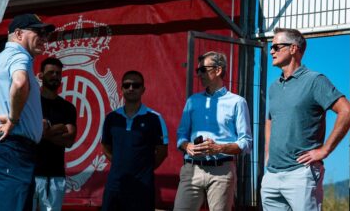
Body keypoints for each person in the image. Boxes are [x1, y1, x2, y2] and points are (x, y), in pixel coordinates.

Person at [261, 28, 350, 211]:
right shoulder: (274, 87)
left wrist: (325, 150)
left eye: (276, 46)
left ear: (293, 49)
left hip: (301, 174)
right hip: (272, 175)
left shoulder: (315, 81)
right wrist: (267, 152)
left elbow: (348, 111)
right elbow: (271, 119)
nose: (271, 51)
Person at [0, 14, 55, 211]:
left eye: (46, 34)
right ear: (18, 34)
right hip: (12, 151)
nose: (44, 37)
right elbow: (20, 83)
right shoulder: (19, 56)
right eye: (38, 32)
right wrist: (13, 121)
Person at [174, 51, 253, 211]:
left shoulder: (237, 102)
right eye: (198, 70)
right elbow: (181, 136)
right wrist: (187, 146)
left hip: (222, 172)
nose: (199, 74)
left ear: (218, 70)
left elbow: (246, 142)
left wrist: (219, 148)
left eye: (203, 69)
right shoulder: (192, 101)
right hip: (191, 170)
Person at [101, 70, 169, 211]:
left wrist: (143, 169)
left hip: (142, 187)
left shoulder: (155, 118)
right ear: (121, 89)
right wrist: (120, 164)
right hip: (115, 186)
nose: (131, 88)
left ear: (143, 89)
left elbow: (162, 152)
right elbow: (105, 146)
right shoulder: (111, 118)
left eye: (136, 85)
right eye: (127, 85)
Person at [33, 57, 77, 211]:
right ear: (40, 75)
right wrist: (60, 128)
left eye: (58, 73)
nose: (55, 76)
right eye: (50, 72)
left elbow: (70, 139)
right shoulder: (31, 104)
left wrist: (44, 133)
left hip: (56, 175)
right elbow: (30, 135)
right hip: (31, 174)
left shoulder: (68, 107)